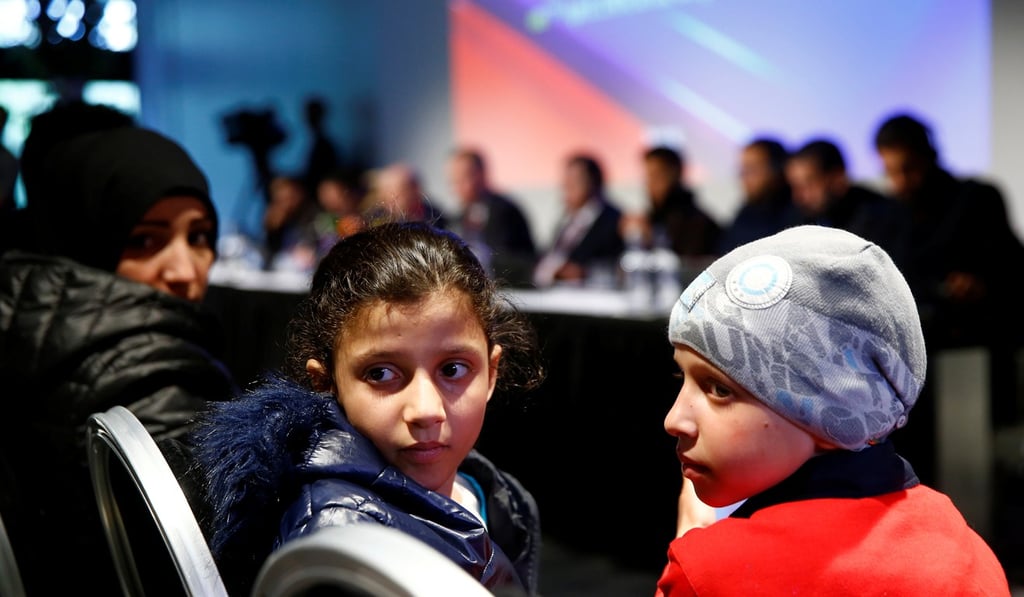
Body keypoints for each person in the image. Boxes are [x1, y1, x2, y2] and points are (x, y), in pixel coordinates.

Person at [191, 222, 546, 596]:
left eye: (453, 369)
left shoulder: (488, 489)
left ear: (491, 373)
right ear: (325, 383)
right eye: (381, 373)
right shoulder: (339, 542)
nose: (426, 410)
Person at [656, 225, 1010, 596]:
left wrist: (690, 549)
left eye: (720, 389)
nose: (674, 419)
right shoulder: (968, 554)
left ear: (834, 411)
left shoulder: (710, 574)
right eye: (683, 378)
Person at [0, 124, 237, 594]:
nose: (184, 271)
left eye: (200, 236)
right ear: (87, 238)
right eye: (145, 241)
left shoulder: (30, 324)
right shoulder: (145, 368)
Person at [873, 111, 1024, 349]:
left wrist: (978, 283)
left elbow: (1012, 268)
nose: (901, 181)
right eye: (891, 172)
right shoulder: (887, 215)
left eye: (909, 169)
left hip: (979, 339)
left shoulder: (978, 199)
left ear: (928, 157)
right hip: (913, 347)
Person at [786, 137, 906, 261]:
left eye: (809, 184)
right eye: (795, 186)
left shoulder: (883, 218)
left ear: (838, 179)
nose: (798, 196)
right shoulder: (801, 222)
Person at [447, 147, 537, 285]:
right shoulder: (457, 217)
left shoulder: (505, 211)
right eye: (454, 181)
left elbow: (518, 261)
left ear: (481, 174)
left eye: (464, 177)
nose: (458, 186)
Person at [533, 153, 624, 287]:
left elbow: (617, 265)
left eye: (575, 180)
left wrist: (585, 272)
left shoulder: (614, 220)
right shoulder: (567, 221)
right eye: (566, 180)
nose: (567, 186)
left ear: (594, 182)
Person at [622, 145, 720, 258]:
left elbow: (685, 265)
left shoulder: (698, 223)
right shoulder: (652, 217)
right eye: (648, 176)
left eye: (657, 176)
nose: (650, 184)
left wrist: (651, 239)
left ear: (675, 175)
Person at [716, 137, 797, 254]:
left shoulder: (796, 213)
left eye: (752, 170)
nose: (744, 178)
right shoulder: (745, 212)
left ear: (777, 170)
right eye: (743, 170)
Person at [262, 174, 322, 272]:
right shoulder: (278, 219)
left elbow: (320, 244)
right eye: (282, 200)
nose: (288, 203)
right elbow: (270, 252)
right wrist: (272, 230)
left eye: (290, 197)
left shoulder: (314, 215)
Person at [365, 162, 448, 229]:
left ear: (416, 189)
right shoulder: (374, 222)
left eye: (397, 192)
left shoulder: (437, 217)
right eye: (386, 192)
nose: (390, 199)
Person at [313, 165, 368, 257]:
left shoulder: (369, 215)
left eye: (331, 193)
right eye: (323, 194)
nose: (326, 199)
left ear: (346, 191)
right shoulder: (324, 221)